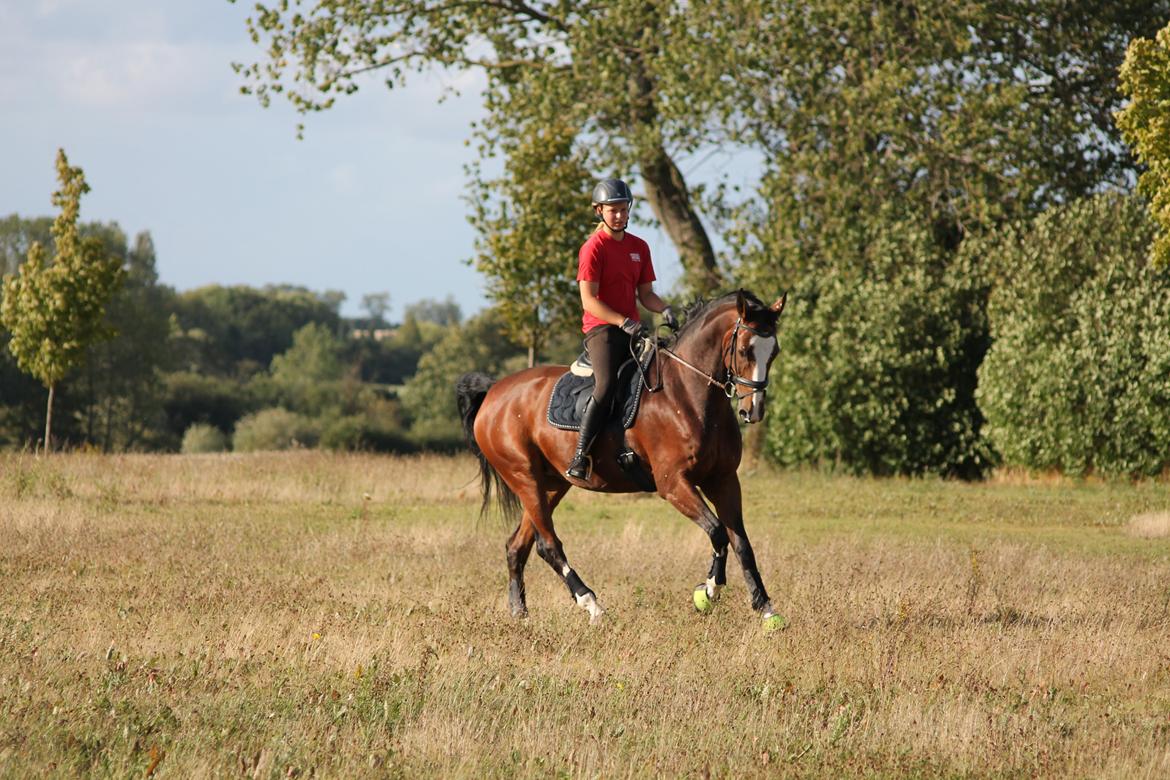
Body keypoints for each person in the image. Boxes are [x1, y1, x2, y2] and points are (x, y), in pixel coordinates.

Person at [566, 178, 678, 481]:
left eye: (622, 209)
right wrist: (621, 321)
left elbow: (646, 295)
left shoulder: (639, 247)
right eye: (612, 210)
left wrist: (665, 308)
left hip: (632, 330)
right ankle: (580, 455)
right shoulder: (592, 248)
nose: (618, 215)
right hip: (602, 330)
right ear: (599, 211)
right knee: (605, 387)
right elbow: (589, 300)